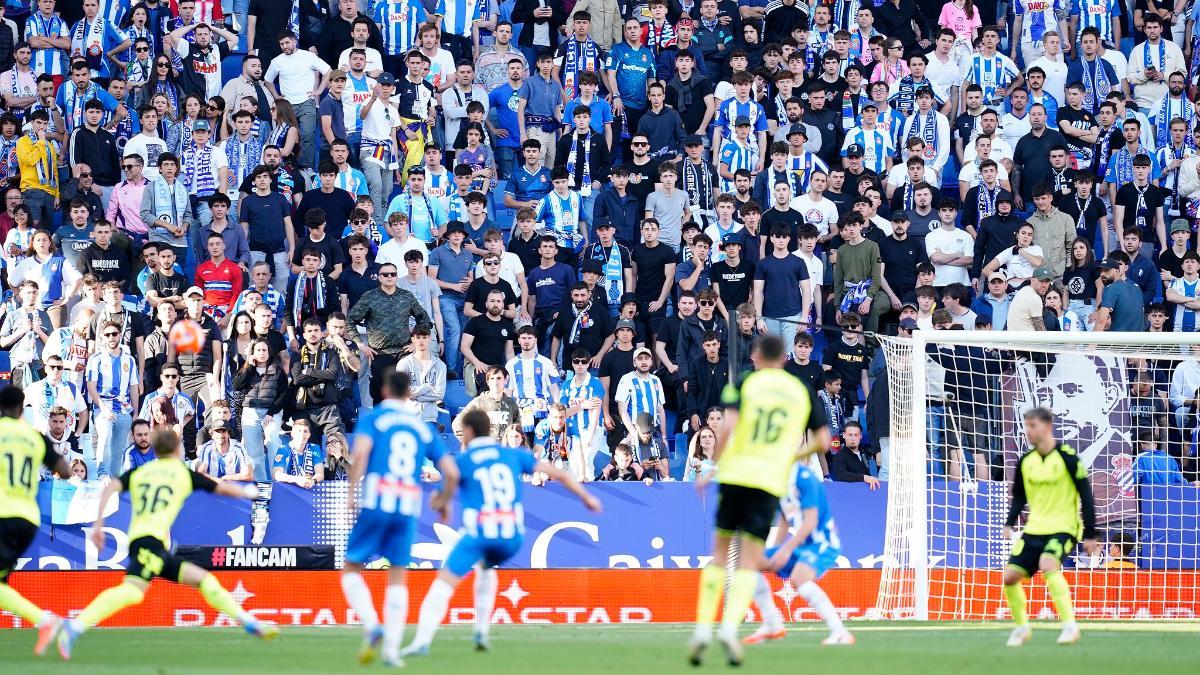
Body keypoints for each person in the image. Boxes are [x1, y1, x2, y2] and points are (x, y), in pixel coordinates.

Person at [55, 429, 276, 658]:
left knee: (201, 580)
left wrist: (99, 525)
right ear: (177, 449)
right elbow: (221, 487)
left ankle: (248, 622)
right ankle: (73, 627)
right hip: (150, 544)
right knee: (132, 591)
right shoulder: (181, 473)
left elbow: (110, 487)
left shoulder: (142, 471)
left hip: (143, 542)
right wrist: (251, 491)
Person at [401, 408, 600, 656]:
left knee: (443, 585)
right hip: (511, 537)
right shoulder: (511, 455)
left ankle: (421, 642)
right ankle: (481, 632)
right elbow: (558, 472)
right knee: (486, 568)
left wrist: (440, 505)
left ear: (469, 433)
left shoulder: (462, 461)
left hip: (481, 533)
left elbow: (443, 496)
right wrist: (587, 498)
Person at [689, 334, 830, 666]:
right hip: (768, 481)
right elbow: (823, 440)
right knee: (750, 560)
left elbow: (726, 429)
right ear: (783, 358)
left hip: (736, 474)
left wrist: (713, 467)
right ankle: (729, 627)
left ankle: (703, 630)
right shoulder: (801, 390)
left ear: (757, 358)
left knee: (721, 555)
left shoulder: (743, 385)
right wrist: (789, 457)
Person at [341, 371, 457, 666]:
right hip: (407, 507)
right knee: (398, 578)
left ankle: (371, 626)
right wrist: (443, 501)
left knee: (351, 569)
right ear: (410, 393)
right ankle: (392, 651)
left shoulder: (374, 418)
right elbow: (451, 472)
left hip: (377, 500)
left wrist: (352, 492)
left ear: (383, 390)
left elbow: (362, 454)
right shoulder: (422, 427)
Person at [1001, 407, 1099, 647]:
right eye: (1026, 426)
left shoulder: (1067, 457)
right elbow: (1019, 496)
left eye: (1032, 426)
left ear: (1047, 426)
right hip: (1035, 528)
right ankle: (1022, 628)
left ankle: (1069, 625)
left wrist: (1090, 533)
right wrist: (1009, 523)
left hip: (1064, 527)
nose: (1028, 431)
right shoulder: (1026, 461)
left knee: (1048, 563)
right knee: (1010, 577)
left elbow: (1086, 495)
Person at [0, 386, 71, 655]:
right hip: (28, 520)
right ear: (22, 408)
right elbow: (64, 471)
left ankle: (45, 621)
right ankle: (44, 622)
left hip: (3, 515)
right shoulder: (34, 437)